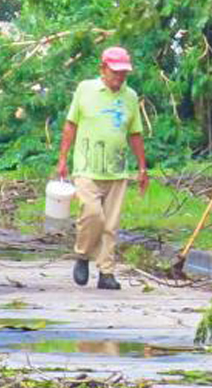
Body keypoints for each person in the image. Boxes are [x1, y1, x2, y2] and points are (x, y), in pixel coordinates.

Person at [56, 46, 149, 291]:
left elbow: (135, 133)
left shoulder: (130, 96)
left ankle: (106, 273)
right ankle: (83, 254)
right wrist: (62, 159)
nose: (120, 77)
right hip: (86, 167)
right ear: (103, 69)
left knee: (111, 225)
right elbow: (70, 125)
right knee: (92, 214)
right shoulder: (85, 89)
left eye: (123, 73)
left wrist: (142, 168)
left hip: (117, 169)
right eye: (115, 72)